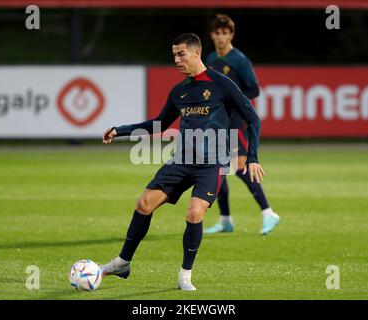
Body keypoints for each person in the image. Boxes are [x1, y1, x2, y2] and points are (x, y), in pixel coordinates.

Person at [100, 33, 264, 291]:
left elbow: (253, 118)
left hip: (211, 165)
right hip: (181, 161)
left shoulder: (221, 84)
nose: (176, 60)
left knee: (194, 212)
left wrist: (252, 157)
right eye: (174, 55)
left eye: (181, 54)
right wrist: (119, 130)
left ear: (196, 53)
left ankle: (185, 275)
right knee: (144, 204)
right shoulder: (180, 91)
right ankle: (123, 262)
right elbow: (158, 123)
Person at [204, 14, 280, 235]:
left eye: (224, 33)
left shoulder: (239, 60)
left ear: (231, 35)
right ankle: (226, 220)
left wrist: (232, 100)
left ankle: (269, 213)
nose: (220, 37)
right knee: (216, 168)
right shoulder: (210, 58)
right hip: (216, 122)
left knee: (240, 168)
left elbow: (254, 89)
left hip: (235, 122)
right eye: (217, 33)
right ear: (212, 35)